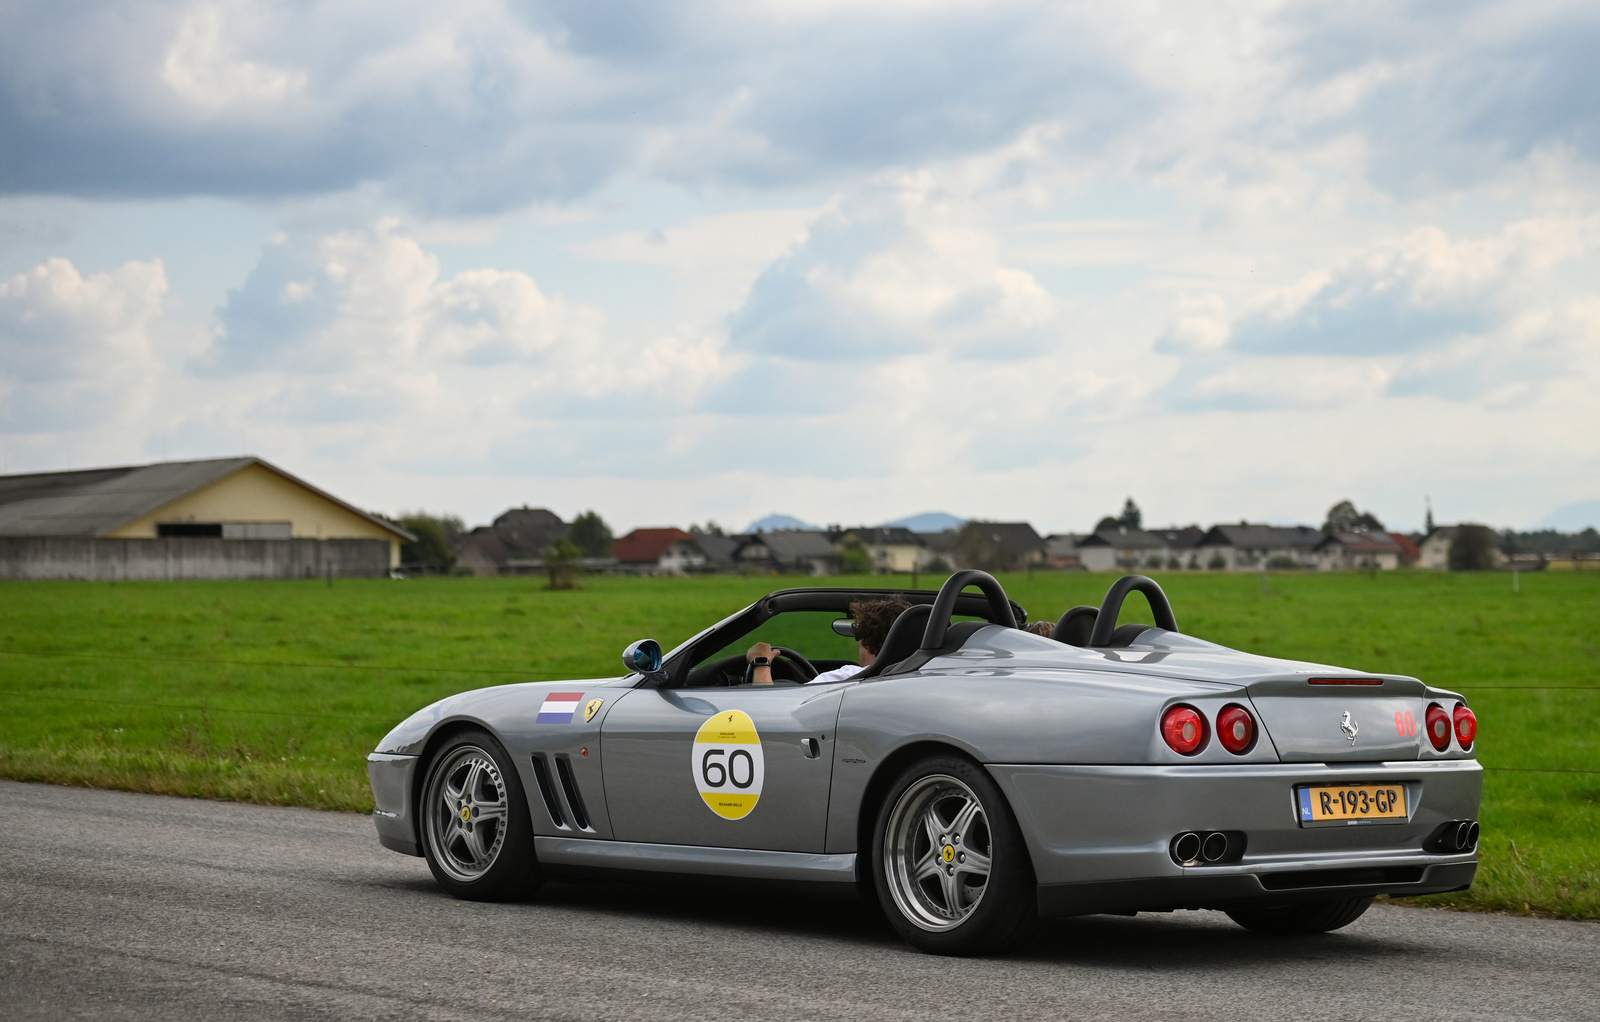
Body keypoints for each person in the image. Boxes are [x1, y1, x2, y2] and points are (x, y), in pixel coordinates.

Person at [746, 596, 911, 685]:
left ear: (867, 646)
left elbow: (775, 712)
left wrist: (761, 663)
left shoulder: (848, 678)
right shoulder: (927, 678)